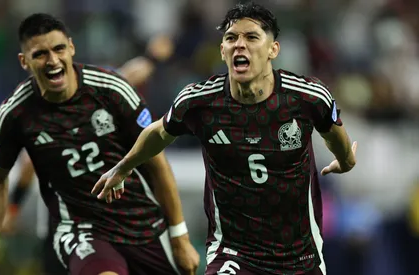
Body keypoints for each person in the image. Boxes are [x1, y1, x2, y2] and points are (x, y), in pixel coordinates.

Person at [92, 2, 357, 275]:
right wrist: (123, 167)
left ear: (272, 50)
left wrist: (346, 161)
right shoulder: (199, 102)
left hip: (300, 258)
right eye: (231, 38)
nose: (239, 45)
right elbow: (158, 133)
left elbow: (334, 135)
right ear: (222, 50)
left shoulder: (306, 97)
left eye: (251, 37)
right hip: (234, 254)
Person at [0, 13, 199, 275]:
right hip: (79, 229)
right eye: (40, 54)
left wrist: (180, 235)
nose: (52, 61)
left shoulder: (111, 88)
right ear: (23, 61)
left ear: (71, 47)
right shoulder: (17, 113)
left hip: (141, 224)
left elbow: (158, 164)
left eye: (59, 48)